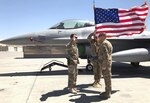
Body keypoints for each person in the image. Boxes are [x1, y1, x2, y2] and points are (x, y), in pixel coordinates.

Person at [97, 32, 113, 98]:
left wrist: (104, 65)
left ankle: (107, 93)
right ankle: (108, 91)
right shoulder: (108, 42)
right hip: (108, 63)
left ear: (103, 36)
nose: (98, 37)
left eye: (100, 36)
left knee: (107, 79)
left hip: (105, 63)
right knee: (108, 78)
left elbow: (106, 55)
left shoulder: (103, 44)